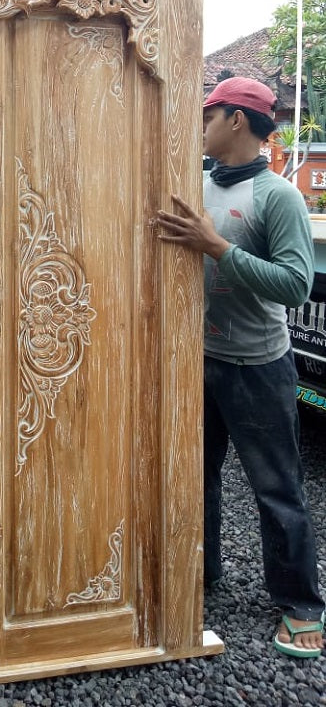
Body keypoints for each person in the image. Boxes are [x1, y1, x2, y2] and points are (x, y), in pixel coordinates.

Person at [155, 76, 325, 658]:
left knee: (276, 488)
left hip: (257, 366)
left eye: (209, 112)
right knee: (194, 477)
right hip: (195, 359)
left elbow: (297, 285)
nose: (201, 122)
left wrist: (218, 248)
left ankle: (302, 605)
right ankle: (201, 576)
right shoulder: (197, 182)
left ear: (236, 120)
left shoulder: (278, 196)